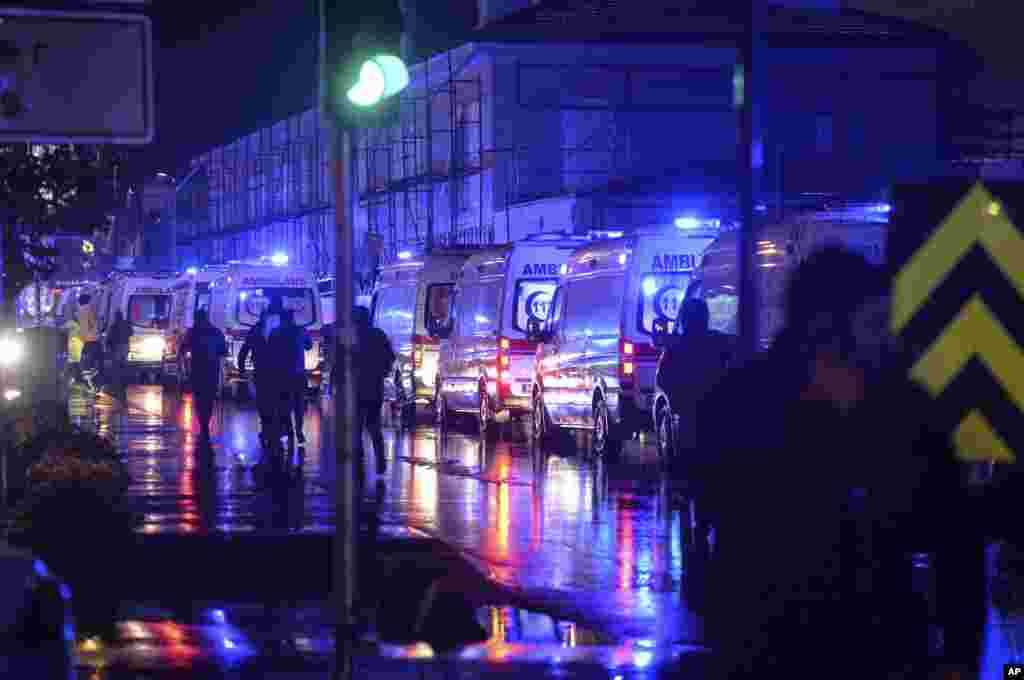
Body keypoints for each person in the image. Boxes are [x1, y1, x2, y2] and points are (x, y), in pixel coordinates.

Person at [695, 246, 961, 678]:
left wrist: (957, 654)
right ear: (828, 326)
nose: (885, 337)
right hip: (774, 647)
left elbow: (952, 535)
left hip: (879, 648)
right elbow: (724, 516)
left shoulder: (905, 408)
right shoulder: (747, 403)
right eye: (873, 324)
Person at [655, 297, 733, 559]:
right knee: (717, 469)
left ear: (685, 319)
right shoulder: (721, 343)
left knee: (691, 469)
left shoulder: (677, 346)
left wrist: (679, 398)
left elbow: (663, 378)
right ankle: (716, 518)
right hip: (720, 417)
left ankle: (698, 519)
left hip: (691, 417)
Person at [353, 306, 395, 475]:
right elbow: (390, 358)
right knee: (373, 425)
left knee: (356, 426)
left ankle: (358, 461)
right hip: (374, 387)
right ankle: (380, 462)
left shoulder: (352, 337)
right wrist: (382, 371)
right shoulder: (378, 335)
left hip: (355, 388)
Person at [181, 308, 227, 442]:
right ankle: (205, 423)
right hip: (212, 370)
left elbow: (183, 349)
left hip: (197, 370)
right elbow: (223, 351)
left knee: (200, 398)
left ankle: (204, 425)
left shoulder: (193, 332)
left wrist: (184, 369)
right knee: (209, 398)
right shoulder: (216, 332)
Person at [267, 308, 312, 444]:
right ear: (292, 318)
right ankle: (299, 431)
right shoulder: (300, 331)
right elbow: (309, 346)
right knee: (299, 405)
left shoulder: (275, 332)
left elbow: (270, 351)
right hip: (298, 374)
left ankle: (288, 430)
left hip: (282, 375)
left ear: (281, 319)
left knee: (284, 404)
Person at [238, 310, 274, 447]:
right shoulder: (274, 330)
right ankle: (269, 427)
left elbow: (244, 351)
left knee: (262, 400)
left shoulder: (254, 330)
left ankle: (266, 426)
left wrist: (242, 369)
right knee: (268, 400)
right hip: (272, 370)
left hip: (261, 370)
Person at [106, 310, 133, 397]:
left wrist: (108, 346)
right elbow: (131, 333)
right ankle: (124, 380)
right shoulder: (126, 324)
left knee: (117, 364)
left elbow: (110, 337)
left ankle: (118, 382)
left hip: (117, 346)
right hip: (125, 346)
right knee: (124, 362)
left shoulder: (114, 326)